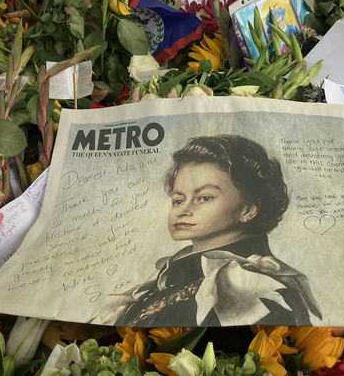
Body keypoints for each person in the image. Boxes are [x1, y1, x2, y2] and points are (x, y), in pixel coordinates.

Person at [97, 135, 322, 327]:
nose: (184, 210)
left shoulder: (255, 287)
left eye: (204, 197)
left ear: (248, 209)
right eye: (178, 199)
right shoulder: (168, 278)